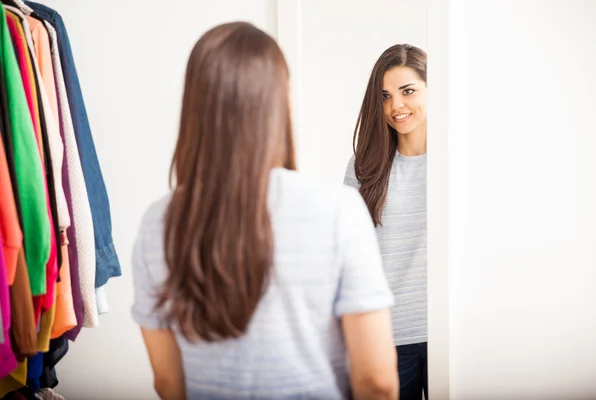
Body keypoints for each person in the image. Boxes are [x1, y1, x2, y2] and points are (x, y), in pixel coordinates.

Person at [131, 22, 399, 400]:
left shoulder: (158, 224)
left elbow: (169, 383)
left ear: (195, 104)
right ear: (279, 103)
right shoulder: (338, 212)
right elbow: (377, 383)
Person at [344, 44, 428, 400]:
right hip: (389, 339)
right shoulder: (364, 166)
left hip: (455, 332)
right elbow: (350, 256)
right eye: (385, 96)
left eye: (408, 91)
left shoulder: (460, 161)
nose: (396, 106)